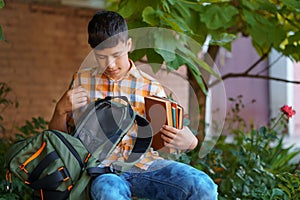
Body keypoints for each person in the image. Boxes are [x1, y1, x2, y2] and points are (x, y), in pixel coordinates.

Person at [49, 10, 218, 200]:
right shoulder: (82, 81)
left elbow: (167, 145)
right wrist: (60, 110)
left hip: (147, 167)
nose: (110, 65)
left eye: (116, 55)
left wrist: (190, 143)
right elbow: (60, 140)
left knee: (203, 187)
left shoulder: (151, 88)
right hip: (103, 171)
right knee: (108, 191)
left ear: (129, 45)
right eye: (102, 56)